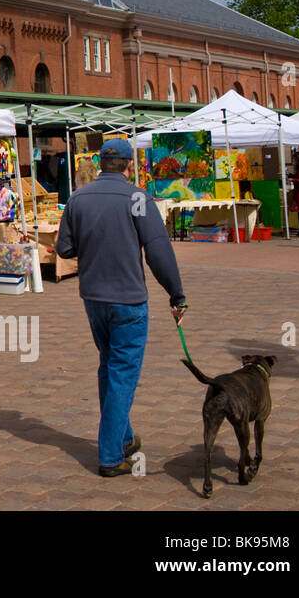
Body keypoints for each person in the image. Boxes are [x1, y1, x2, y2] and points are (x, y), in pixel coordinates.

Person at [55, 138, 187, 477]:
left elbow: (65, 250)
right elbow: (158, 251)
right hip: (128, 299)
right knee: (122, 373)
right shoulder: (138, 199)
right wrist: (176, 293)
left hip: (94, 298)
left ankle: (124, 437)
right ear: (130, 164)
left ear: (100, 163)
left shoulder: (78, 198)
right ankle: (111, 456)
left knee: (110, 367)